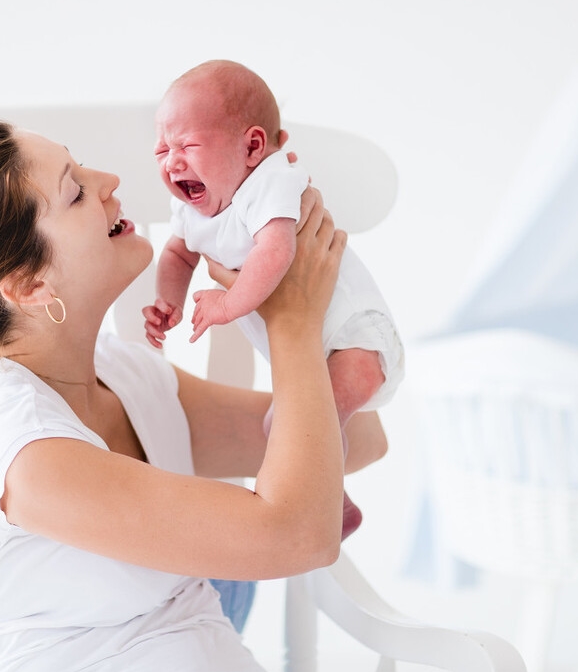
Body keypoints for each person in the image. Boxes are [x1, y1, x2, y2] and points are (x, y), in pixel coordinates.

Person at [0, 120, 387, 671]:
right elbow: (301, 536)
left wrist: (272, 268)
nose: (109, 180)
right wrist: (292, 326)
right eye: (76, 191)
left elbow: (361, 438)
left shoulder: (128, 379)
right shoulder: (23, 456)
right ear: (30, 285)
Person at [144, 60, 405, 539]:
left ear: (253, 147)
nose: (172, 161)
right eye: (163, 149)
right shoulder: (190, 210)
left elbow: (277, 249)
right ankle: (336, 503)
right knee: (280, 429)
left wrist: (226, 305)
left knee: (301, 425)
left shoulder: (269, 182)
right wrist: (169, 302)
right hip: (309, 352)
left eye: (188, 146)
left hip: (355, 339)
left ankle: (318, 504)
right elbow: (177, 256)